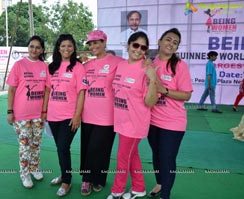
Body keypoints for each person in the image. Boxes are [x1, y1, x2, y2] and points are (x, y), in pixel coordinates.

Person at [107, 31, 158, 199]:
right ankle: (139, 187)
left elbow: (151, 101)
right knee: (132, 155)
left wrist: (153, 79)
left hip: (135, 123)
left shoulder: (147, 68)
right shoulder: (121, 64)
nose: (139, 50)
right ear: (128, 45)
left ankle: (117, 191)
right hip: (121, 120)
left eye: (143, 47)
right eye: (136, 45)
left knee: (122, 157)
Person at [147, 28, 193, 199]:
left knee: (167, 159)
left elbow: (187, 94)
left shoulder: (179, 66)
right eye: (168, 40)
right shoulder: (151, 63)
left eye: (175, 43)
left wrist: (164, 90)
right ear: (159, 41)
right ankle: (160, 183)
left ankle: (165, 195)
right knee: (156, 156)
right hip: (152, 121)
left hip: (173, 123)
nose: (171, 44)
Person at [79, 30, 124, 196]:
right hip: (87, 115)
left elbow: (134, 66)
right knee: (87, 148)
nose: (93, 46)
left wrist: (148, 63)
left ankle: (98, 179)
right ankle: (86, 178)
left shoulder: (117, 61)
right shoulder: (86, 66)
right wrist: (78, 60)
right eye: (90, 44)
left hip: (108, 117)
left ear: (105, 42)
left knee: (102, 149)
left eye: (96, 42)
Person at [44, 34, 87, 197]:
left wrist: (77, 116)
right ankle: (64, 173)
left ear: (74, 48)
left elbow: (82, 92)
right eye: (63, 46)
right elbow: (48, 90)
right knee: (60, 148)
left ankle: (66, 181)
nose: (66, 49)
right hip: (53, 116)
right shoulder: (52, 67)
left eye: (69, 46)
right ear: (58, 48)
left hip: (69, 117)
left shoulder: (78, 67)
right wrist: (44, 111)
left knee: (63, 147)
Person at [6, 35, 49, 189]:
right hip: (21, 115)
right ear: (28, 47)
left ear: (42, 50)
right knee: (25, 145)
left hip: (38, 115)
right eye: (31, 46)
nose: (34, 50)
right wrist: (10, 111)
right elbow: (11, 90)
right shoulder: (19, 65)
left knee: (36, 144)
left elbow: (47, 90)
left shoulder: (44, 67)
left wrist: (44, 111)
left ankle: (34, 168)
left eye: (38, 47)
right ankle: (24, 173)